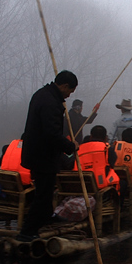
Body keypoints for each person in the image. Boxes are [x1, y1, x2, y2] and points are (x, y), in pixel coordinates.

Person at [17, 70, 79, 241]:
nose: (68, 96)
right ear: (64, 86)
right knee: (43, 194)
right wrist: (70, 146)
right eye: (70, 91)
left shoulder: (42, 95)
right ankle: (27, 231)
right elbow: (51, 133)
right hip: (42, 155)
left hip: (37, 152)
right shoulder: (50, 102)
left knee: (46, 189)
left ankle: (47, 215)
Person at [74, 125, 119, 191]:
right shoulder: (107, 149)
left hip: (82, 187)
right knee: (122, 183)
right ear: (105, 138)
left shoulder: (79, 149)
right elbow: (112, 164)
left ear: (91, 136)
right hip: (102, 188)